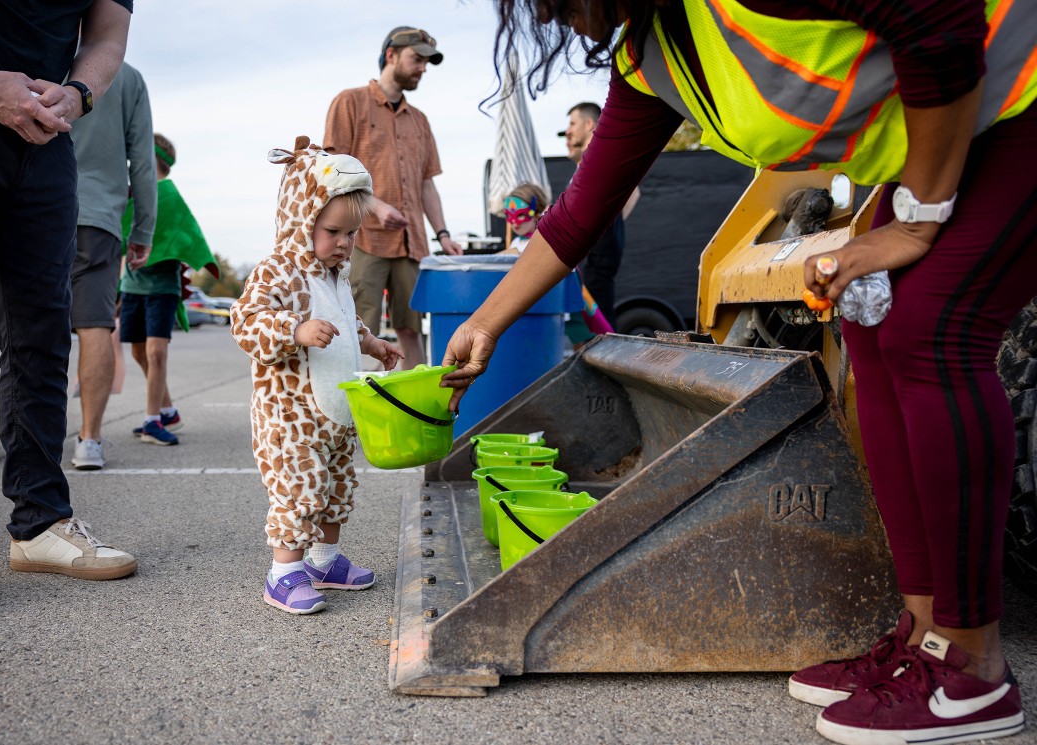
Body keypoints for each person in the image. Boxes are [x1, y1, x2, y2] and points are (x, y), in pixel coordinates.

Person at [442, 3, 1037, 744]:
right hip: (959, 121)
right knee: (873, 322)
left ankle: (973, 666)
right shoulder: (655, 56)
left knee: (930, 332)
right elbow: (576, 214)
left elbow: (938, 22)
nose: (553, 15)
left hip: (1017, 99)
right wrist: (484, 323)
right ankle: (923, 637)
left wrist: (916, 217)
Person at [0, 1, 139, 621]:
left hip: (43, 139)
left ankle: (40, 522)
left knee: (43, 329)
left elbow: (107, 34)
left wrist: (78, 93)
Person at [231, 137, 402, 615]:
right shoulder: (277, 272)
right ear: (300, 218)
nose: (343, 243)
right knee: (298, 489)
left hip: (335, 415)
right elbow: (245, 322)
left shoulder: (336, 276)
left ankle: (324, 561)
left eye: (350, 234)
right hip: (290, 416)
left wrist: (373, 343)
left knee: (336, 488)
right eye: (332, 231)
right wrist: (295, 329)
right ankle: (283, 573)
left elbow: (348, 323)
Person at [323, 25, 464, 370]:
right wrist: (374, 206)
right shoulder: (349, 101)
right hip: (362, 239)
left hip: (411, 243)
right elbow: (329, 170)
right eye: (417, 59)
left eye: (426, 63)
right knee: (357, 330)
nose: (422, 69)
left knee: (411, 330)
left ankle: (414, 410)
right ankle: (352, 419)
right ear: (391, 56)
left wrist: (443, 235)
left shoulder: (421, 121)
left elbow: (427, 184)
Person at [69, 61, 156, 470]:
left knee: (28, 327)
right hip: (98, 216)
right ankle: (89, 439)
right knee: (94, 329)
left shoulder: (34, 46)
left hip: (28, 209)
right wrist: (142, 229)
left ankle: (31, 437)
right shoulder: (125, 77)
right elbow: (142, 158)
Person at [119, 132, 217, 447]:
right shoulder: (131, 195)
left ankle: (152, 421)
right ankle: (169, 411)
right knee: (138, 351)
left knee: (155, 352)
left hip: (163, 288)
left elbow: (188, 237)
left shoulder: (170, 197)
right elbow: (119, 238)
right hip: (132, 287)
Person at [559, 101, 639, 326]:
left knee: (597, 313)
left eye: (573, 123)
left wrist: (605, 226)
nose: (568, 131)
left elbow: (633, 192)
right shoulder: (590, 162)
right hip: (594, 253)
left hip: (596, 253)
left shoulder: (598, 158)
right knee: (593, 312)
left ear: (589, 124)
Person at [498, 182, 548, 255]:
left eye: (520, 214)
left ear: (536, 214)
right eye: (508, 215)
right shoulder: (516, 242)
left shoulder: (544, 241)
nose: (514, 222)